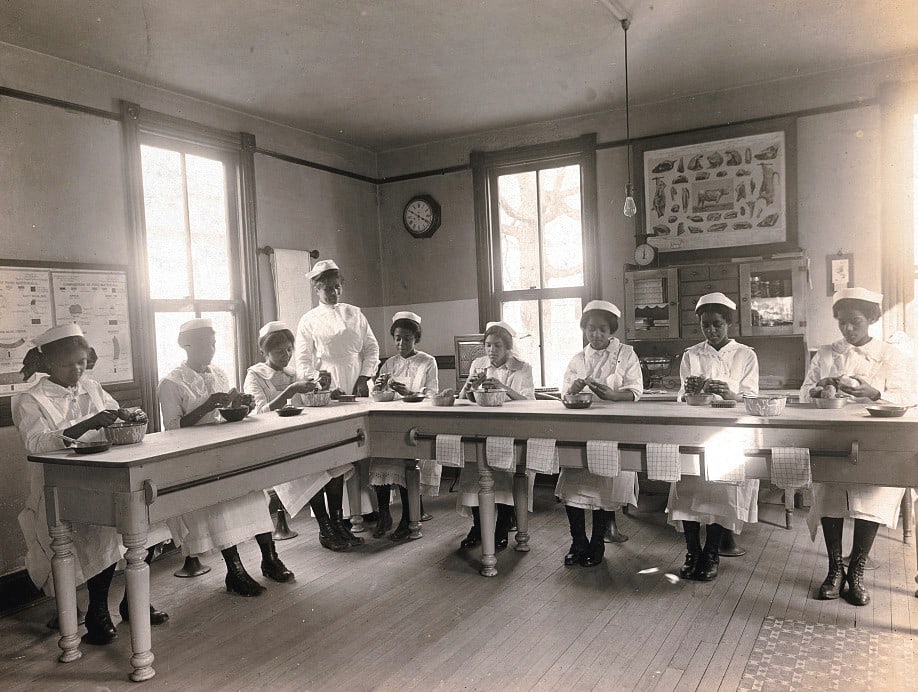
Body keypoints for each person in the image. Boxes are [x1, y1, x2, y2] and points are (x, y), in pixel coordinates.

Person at [13, 324, 170, 645]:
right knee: (98, 545)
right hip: (59, 486)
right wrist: (88, 422)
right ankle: (98, 612)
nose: (77, 369)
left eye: (83, 362)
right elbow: (37, 444)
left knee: (147, 528)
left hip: (104, 475)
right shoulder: (30, 399)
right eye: (69, 364)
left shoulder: (93, 387)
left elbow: (113, 414)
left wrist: (127, 414)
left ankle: (131, 602)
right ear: (48, 364)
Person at [158, 318, 290, 596]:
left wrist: (243, 405)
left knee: (254, 495)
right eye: (205, 344)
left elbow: (226, 414)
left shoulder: (218, 373)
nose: (211, 349)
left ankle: (270, 558)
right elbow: (171, 430)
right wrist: (205, 406)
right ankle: (235, 570)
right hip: (193, 461)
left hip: (224, 451)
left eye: (214, 343)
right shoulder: (170, 383)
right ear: (186, 345)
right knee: (218, 506)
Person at [800, 287, 913, 606]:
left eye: (855, 322)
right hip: (832, 436)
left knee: (873, 497)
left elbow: (909, 397)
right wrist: (819, 388)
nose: (848, 329)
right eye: (841, 323)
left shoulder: (893, 356)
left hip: (876, 439)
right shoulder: (826, 353)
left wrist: (874, 393)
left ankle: (857, 570)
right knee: (829, 496)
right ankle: (834, 569)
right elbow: (803, 392)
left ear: (872, 319)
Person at [668, 293, 760, 582]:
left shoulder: (745, 354)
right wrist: (691, 390)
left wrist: (730, 394)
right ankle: (692, 551)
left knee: (721, 492)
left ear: (728, 323)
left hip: (729, 433)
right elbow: (683, 397)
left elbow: (752, 398)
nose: (711, 331)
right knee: (687, 488)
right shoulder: (692, 354)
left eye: (717, 325)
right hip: (695, 431)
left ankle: (711, 553)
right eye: (706, 326)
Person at [244, 320, 354, 552]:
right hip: (272, 442)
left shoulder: (293, 374)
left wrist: (325, 388)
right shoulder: (255, 376)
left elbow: (306, 403)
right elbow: (260, 414)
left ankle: (337, 523)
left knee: (337, 463)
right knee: (312, 466)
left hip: (298, 437)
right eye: (278, 351)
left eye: (289, 349)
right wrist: (290, 390)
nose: (286, 355)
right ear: (264, 351)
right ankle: (324, 528)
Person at [294, 259, 380, 545]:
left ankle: (357, 513)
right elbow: (304, 358)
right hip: (327, 385)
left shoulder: (355, 313)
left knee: (358, 451)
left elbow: (372, 347)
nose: (334, 291)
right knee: (333, 455)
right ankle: (333, 522)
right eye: (327, 287)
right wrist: (320, 384)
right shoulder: (309, 320)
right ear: (317, 289)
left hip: (356, 379)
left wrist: (364, 377)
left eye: (337, 285)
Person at [558, 300, 642, 567]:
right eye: (591, 329)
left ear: (611, 329)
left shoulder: (626, 354)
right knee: (573, 484)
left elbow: (635, 391)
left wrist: (613, 395)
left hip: (613, 428)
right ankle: (577, 541)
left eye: (602, 329)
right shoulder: (577, 359)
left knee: (606, 485)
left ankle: (597, 544)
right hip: (581, 429)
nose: (596, 335)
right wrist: (572, 389)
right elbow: (565, 395)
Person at [457, 321, 535, 550]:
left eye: (497, 346)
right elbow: (464, 399)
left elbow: (528, 402)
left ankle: (502, 526)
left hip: (509, 432)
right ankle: (479, 527)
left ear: (509, 348)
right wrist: (470, 387)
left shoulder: (522, 367)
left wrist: (502, 386)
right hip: (481, 429)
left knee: (506, 477)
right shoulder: (479, 364)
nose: (491, 351)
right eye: (488, 345)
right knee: (474, 476)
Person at [369, 312, 439, 540]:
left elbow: (433, 394)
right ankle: (384, 515)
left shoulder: (427, 361)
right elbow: (379, 397)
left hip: (416, 424)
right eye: (397, 338)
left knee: (406, 465)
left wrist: (409, 393)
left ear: (416, 339)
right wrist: (379, 388)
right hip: (391, 421)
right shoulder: (389, 363)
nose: (401, 343)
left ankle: (409, 518)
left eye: (407, 339)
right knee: (378, 458)